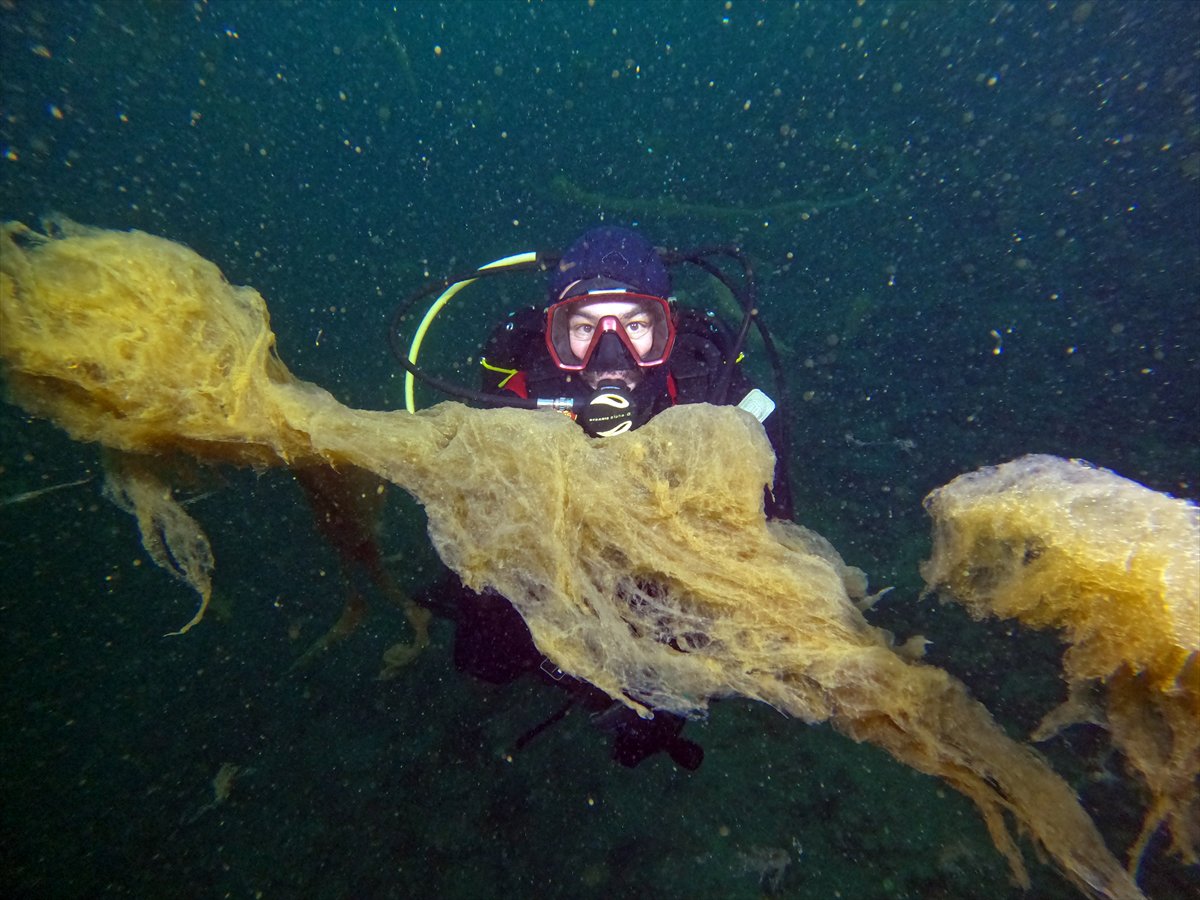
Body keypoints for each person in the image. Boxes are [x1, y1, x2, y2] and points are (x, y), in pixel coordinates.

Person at [422, 226, 792, 771]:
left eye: (636, 325)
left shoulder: (705, 380)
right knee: (485, 658)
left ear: (666, 327)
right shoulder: (523, 390)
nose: (610, 352)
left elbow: (775, 526)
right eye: (584, 327)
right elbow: (474, 521)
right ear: (554, 332)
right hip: (551, 585)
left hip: (671, 590)